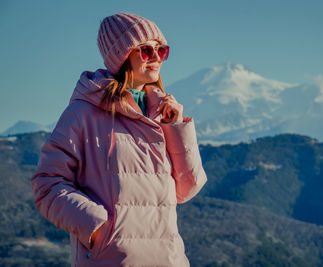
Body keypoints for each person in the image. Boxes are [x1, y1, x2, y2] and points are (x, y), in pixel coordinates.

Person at [31, 12, 207, 267]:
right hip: (111, 260)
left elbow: (187, 188)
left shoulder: (163, 113)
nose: (156, 57)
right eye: (146, 51)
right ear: (122, 56)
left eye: (162, 50)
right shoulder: (83, 113)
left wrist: (176, 127)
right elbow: (46, 183)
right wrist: (96, 225)